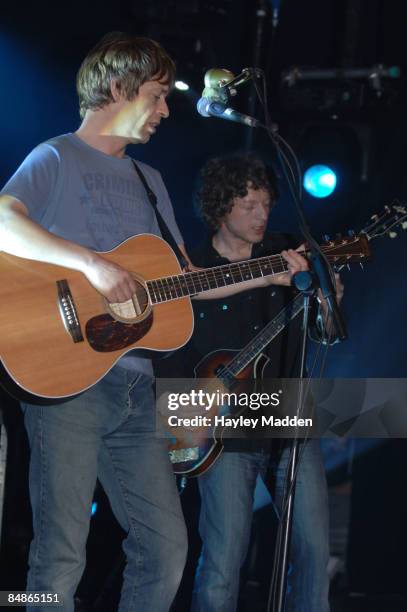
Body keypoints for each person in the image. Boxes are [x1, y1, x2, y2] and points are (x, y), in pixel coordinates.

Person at [0, 34, 310, 612]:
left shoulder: (151, 181)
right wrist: (93, 265)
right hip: (67, 381)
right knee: (59, 556)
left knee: (167, 548)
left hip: (138, 389)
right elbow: (2, 220)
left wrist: (269, 276)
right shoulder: (56, 156)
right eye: (158, 95)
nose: (167, 110)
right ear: (119, 89)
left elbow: (187, 280)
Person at [157, 154, 343, 612]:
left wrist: (329, 301)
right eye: (249, 205)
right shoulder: (191, 265)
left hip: (289, 419)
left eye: (266, 204)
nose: (262, 215)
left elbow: (326, 334)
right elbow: (169, 353)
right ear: (221, 208)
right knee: (224, 558)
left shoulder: (290, 253)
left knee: (315, 551)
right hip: (220, 432)